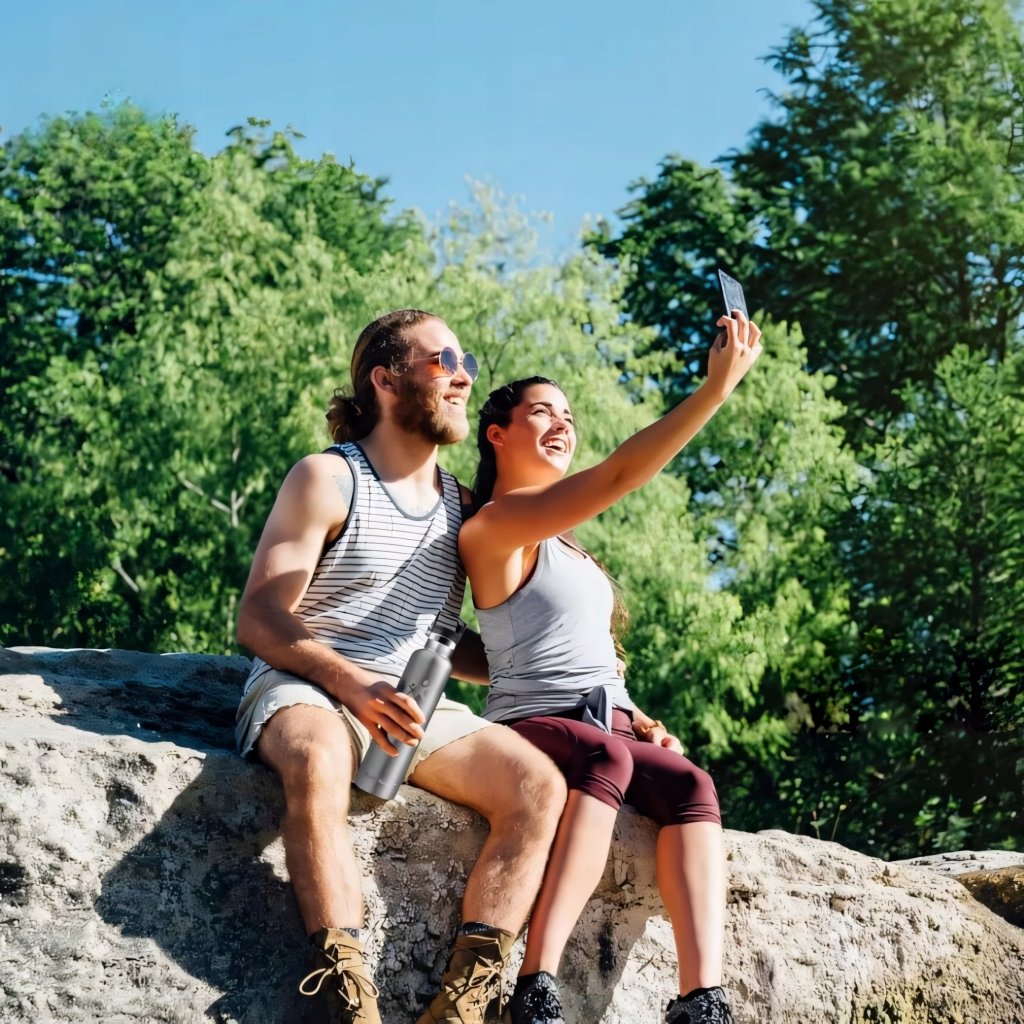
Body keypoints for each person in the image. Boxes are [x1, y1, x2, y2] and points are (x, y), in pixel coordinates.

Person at [234, 308, 566, 1024]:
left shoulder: (464, 507)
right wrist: (351, 683)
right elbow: (259, 616)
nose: (464, 375)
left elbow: (472, 642)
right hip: (308, 684)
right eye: (444, 361)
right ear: (386, 381)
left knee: (537, 785)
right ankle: (348, 992)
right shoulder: (327, 477)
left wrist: (599, 697)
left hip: (415, 704)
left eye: (465, 361)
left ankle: (463, 1003)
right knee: (318, 758)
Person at [459, 309, 763, 1024]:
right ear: (496, 433)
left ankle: (701, 999)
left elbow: (568, 650)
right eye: (543, 412)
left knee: (691, 783)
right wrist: (714, 390)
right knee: (606, 758)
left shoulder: (565, 545)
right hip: (534, 726)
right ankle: (536, 982)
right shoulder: (495, 526)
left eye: (569, 415)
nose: (563, 424)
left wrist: (636, 715)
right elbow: (623, 473)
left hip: (605, 724)